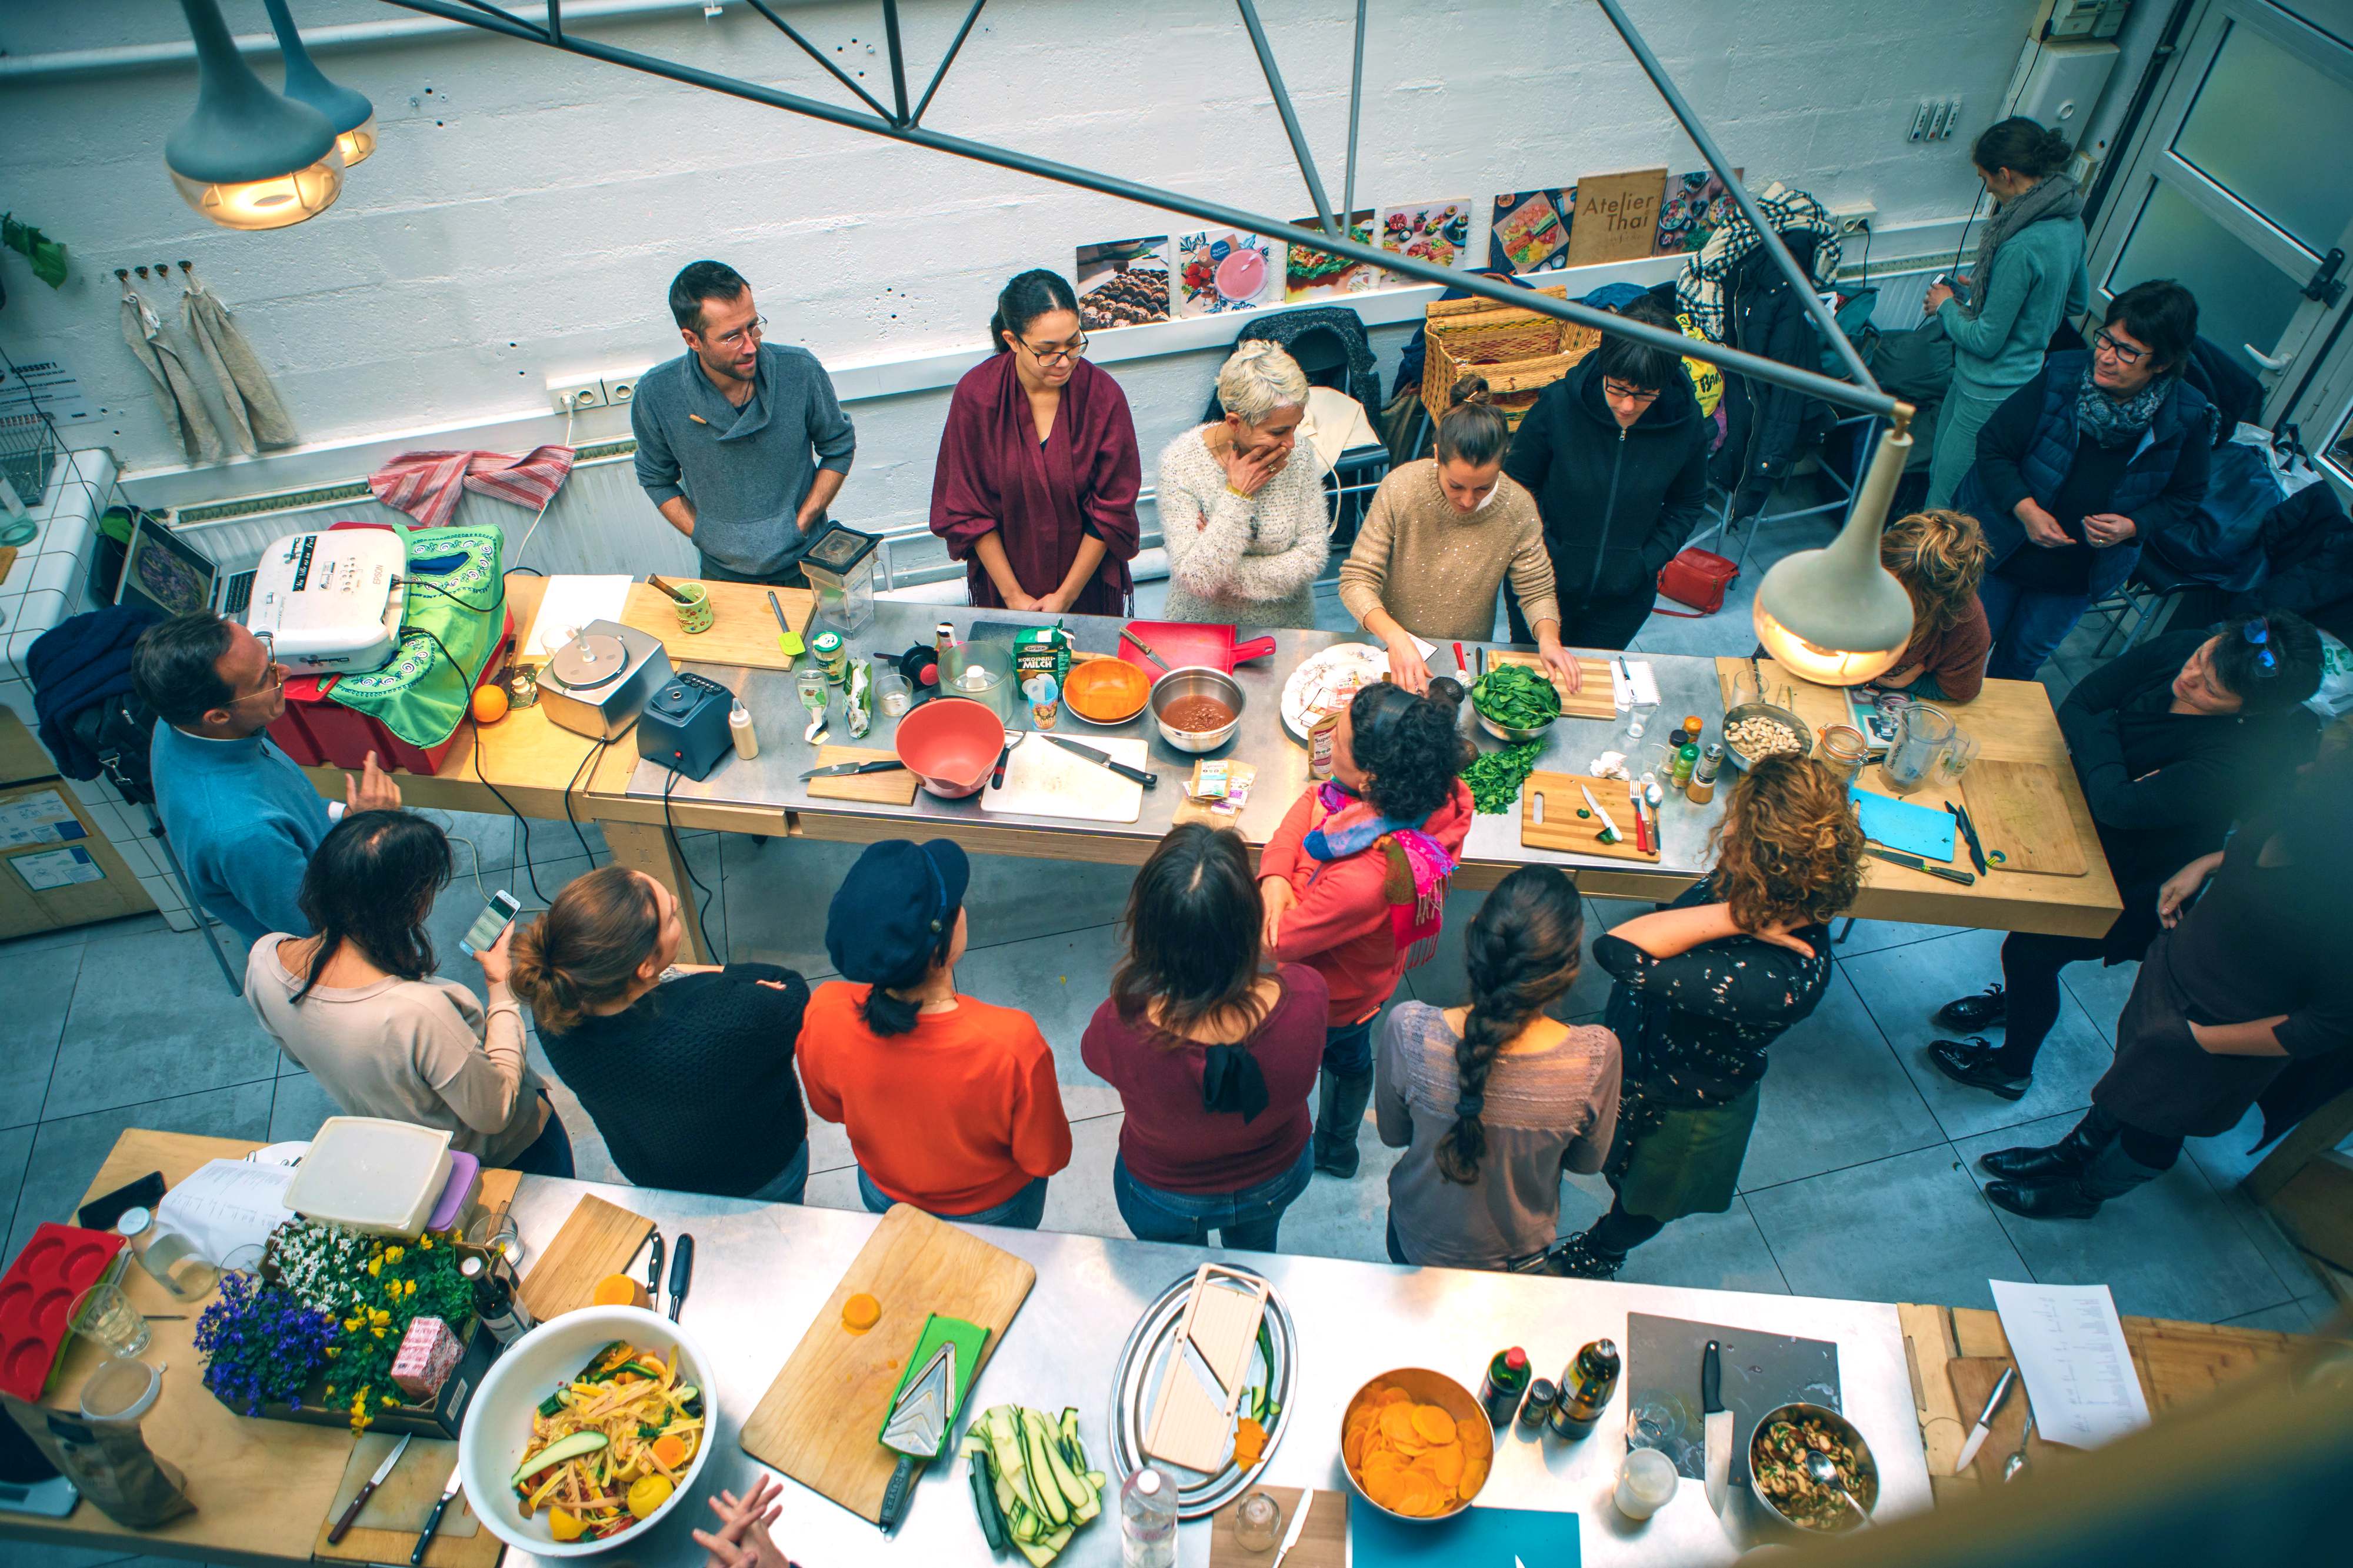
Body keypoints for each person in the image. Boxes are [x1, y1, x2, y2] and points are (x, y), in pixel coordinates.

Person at [1929, 613, 2324, 1098]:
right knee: (2029, 945)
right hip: (2085, 823)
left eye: (2212, 692)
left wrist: (2101, 735)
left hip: (2141, 875)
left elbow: (2119, 800)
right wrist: (2110, 767)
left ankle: (2012, 1068)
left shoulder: (2240, 761)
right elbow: (2082, 702)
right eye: (2201, 659)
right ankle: (2015, 1003)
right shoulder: (2184, 644)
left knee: (2032, 953)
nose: (2190, 678)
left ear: (2250, 712)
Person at [1976, 722, 2352, 1219]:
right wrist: (2207, 863)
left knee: (2153, 1126)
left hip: (2220, 1037)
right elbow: (2253, 852)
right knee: (2126, 1088)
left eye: (2320, 770)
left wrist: (2197, 1039)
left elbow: (2325, 1027)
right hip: (2176, 980)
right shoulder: (2304, 820)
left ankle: (2083, 1195)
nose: (2303, 768)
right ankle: (2073, 1153)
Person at [1554, 755, 1862, 1279]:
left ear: (1763, 855)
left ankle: (1602, 1252)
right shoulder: (1748, 887)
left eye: (1737, 823)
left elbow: (1617, 952)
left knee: (1643, 1202)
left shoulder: (1783, 976)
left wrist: (1738, 917)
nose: (1727, 826)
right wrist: (1741, 907)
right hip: (1635, 1060)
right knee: (1593, 1154)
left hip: (1681, 1109)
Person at [244, 810, 571, 1174]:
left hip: (410, 1156)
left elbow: (299, 1057)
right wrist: (500, 990)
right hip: (502, 1156)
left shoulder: (264, 958)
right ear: (412, 902)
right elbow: (494, 1112)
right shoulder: (417, 1010)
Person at [1259, 681, 1474, 1178]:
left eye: (1338, 742)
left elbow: (1279, 940)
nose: (1329, 740)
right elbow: (1311, 801)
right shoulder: (1430, 792)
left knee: (1343, 1060)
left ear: (1373, 782)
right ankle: (1337, 1144)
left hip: (1339, 998)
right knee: (1351, 1061)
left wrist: (1286, 878)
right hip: (1369, 968)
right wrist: (1275, 877)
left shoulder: (1366, 877)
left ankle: (1333, 1147)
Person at [798, 839, 1072, 1227]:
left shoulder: (824, 1011)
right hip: (994, 1211)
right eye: (958, 905)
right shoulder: (1010, 1043)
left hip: (886, 1196)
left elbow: (829, 1109)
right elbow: (1047, 1157)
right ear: (940, 946)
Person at [1080, 825, 1327, 1250]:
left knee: (1175, 1272)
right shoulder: (1308, 994)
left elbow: (1094, 1059)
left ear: (1149, 933)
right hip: (1274, 1178)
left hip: (1165, 1192)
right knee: (1255, 1258)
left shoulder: (1119, 1026)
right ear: (1250, 919)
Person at [1957, 279, 2212, 681]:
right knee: (1963, 648)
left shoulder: (2187, 418)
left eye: (2127, 351)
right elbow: (1993, 447)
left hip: (2077, 573)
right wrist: (2027, 511)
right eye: (2106, 340)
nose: (2107, 357)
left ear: (2161, 363)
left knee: (2022, 661)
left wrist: (2133, 526)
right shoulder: (2063, 375)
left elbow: (2187, 495)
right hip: (2002, 548)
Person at [512, 866, 813, 1203]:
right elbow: (792, 989)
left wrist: (664, 973)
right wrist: (720, 973)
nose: (675, 901)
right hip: (761, 1171)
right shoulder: (729, 1017)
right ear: (643, 968)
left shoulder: (553, 1013)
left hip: (657, 1175)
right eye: (670, 916)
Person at [1375, 866, 1622, 1271]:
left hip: (1415, 1237)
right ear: (1569, 969)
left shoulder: (1409, 1029)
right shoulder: (1595, 1057)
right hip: (1517, 1257)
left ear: (1474, 936)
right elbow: (1586, 1163)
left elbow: (1393, 1135)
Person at [133, 610, 401, 954]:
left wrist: (345, 815)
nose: (284, 673)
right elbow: (319, 924)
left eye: (270, 658)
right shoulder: (244, 835)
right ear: (217, 716)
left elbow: (285, 809)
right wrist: (369, 831)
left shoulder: (177, 726)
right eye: (265, 678)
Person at [1337, 376, 1580, 693]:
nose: (1467, 501)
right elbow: (1357, 580)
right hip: (1385, 646)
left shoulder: (1518, 507)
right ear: (1437, 455)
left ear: (1501, 463)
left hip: (1462, 654)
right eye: (1456, 486)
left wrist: (1549, 638)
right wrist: (1396, 637)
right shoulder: (1401, 488)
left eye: (1483, 488)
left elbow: (1536, 590)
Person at [631, 260, 857, 588]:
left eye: (753, 326)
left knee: (825, 639)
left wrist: (802, 522)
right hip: (725, 573)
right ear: (692, 339)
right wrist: (706, 534)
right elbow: (655, 478)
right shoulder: (657, 394)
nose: (750, 345)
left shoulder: (800, 371)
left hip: (811, 560)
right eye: (731, 337)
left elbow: (839, 447)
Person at [930, 269, 1142, 615]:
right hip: (1005, 588)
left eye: (1074, 345)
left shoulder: (1104, 397)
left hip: (1085, 587)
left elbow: (1112, 509)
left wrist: (1066, 597)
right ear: (1012, 341)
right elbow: (968, 506)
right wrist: (1014, 598)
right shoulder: (978, 396)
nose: (1064, 362)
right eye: (1047, 351)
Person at [1502, 300, 1710, 652]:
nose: (1628, 406)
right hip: (1541, 584)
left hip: (1624, 599)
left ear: (1664, 382)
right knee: (1529, 679)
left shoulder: (1686, 425)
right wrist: (1547, 548)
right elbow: (1517, 486)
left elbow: (1687, 503)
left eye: (1644, 394)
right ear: (1604, 367)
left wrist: (1645, 561)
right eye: (1617, 388)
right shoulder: (1558, 406)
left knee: (1592, 688)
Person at [1923, 118, 2089, 509]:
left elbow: (1985, 340)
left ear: (2005, 174)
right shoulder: (2070, 223)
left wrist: (1946, 306)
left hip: (1984, 390)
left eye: (1986, 179)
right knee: (1960, 488)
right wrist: (1993, 292)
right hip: (2024, 384)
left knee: (1943, 501)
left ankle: (1919, 570)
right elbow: (2075, 303)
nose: (1988, 189)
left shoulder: (2018, 245)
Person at [1155, 342, 1331, 629]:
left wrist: (1225, 568)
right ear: (1235, 422)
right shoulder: (1180, 464)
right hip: (1203, 628)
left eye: (1295, 426)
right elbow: (1198, 579)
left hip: (1285, 630)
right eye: (1278, 431)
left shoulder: (1298, 456)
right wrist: (1237, 496)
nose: (1290, 442)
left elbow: (1312, 557)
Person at [1873, 509, 1995, 703]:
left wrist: (1906, 684)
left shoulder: (1965, 622)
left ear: (1934, 602)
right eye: (1879, 576)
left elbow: (1960, 691)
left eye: (1899, 591)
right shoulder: (1856, 570)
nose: (1880, 594)